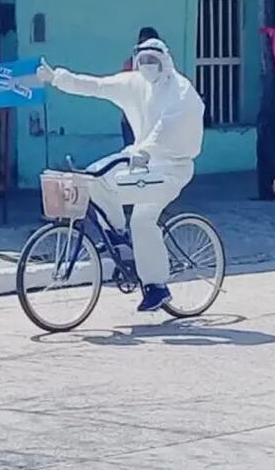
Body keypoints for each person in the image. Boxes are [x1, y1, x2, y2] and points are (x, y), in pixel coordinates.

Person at [36, 38, 205, 311]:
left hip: (172, 166)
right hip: (141, 158)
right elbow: (97, 86)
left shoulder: (181, 91)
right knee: (94, 178)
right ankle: (118, 235)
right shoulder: (134, 84)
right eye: (143, 61)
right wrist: (57, 78)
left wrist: (147, 150)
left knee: (142, 219)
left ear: (165, 61)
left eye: (153, 61)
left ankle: (156, 287)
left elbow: (168, 127)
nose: (148, 66)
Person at [120, 27, 161, 148]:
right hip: (131, 117)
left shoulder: (163, 65)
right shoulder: (130, 63)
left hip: (154, 118)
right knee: (131, 154)